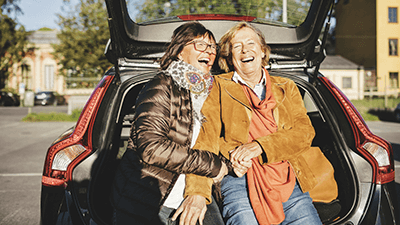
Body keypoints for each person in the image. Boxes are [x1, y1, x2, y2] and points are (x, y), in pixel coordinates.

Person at [184, 22, 338, 225]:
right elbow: (205, 140)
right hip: (239, 180)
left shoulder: (287, 86)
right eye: (237, 46)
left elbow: (304, 133)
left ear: (263, 50)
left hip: (289, 178)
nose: (245, 49)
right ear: (229, 57)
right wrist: (197, 192)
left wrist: (259, 146)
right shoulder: (218, 88)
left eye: (250, 43)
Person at [111, 22, 228, 225]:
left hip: (198, 191)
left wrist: (218, 169)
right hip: (150, 197)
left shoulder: (214, 93)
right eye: (200, 45)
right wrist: (213, 166)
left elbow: (224, 143)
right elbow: (152, 147)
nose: (209, 52)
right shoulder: (162, 85)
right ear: (180, 51)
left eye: (212, 47)